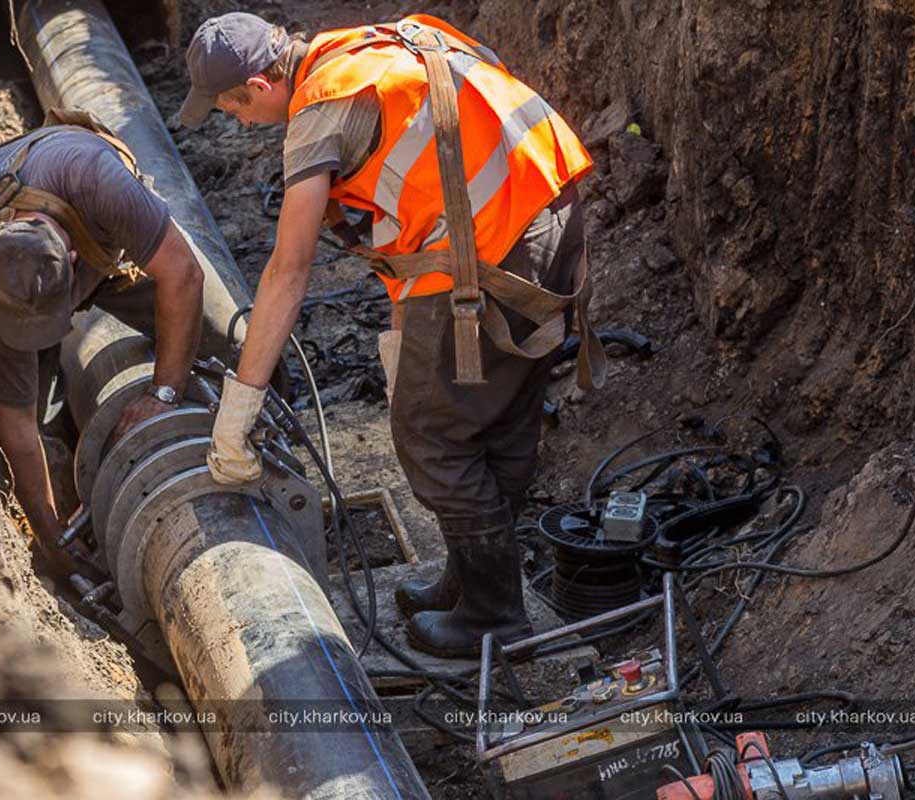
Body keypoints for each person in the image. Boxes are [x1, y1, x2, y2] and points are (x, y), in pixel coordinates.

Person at [179, 13, 606, 656]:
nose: (238, 122)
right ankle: (471, 582)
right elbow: (430, 180)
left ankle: (494, 616)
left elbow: (288, 270)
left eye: (232, 108)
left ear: (263, 84)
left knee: (432, 434)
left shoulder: (320, 109)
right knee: (497, 419)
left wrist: (241, 405)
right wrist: (406, 338)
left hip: (492, 245)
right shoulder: (372, 47)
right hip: (550, 210)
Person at [0, 110, 219, 580]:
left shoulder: (95, 180)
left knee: (226, 343)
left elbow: (183, 274)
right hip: (45, 268)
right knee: (43, 422)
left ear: (73, 262)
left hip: (107, 241)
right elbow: (15, 427)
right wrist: (53, 544)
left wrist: (163, 394)